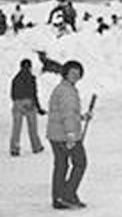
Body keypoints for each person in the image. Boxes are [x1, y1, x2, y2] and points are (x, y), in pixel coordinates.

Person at [46, 60, 90, 209]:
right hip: (65, 135)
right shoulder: (67, 91)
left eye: (78, 74)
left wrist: (82, 117)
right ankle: (68, 195)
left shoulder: (63, 88)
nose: (76, 76)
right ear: (65, 73)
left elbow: (67, 113)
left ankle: (58, 197)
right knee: (80, 163)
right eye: (73, 73)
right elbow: (67, 115)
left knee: (61, 165)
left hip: (56, 134)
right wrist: (71, 134)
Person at [10, 59, 46, 156]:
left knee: (16, 129)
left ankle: (15, 148)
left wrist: (18, 102)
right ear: (30, 67)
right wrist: (39, 108)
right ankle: (36, 147)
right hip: (30, 103)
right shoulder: (32, 78)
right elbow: (34, 94)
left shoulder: (15, 79)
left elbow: (12, 94)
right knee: (32, 128)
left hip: (17, 103)